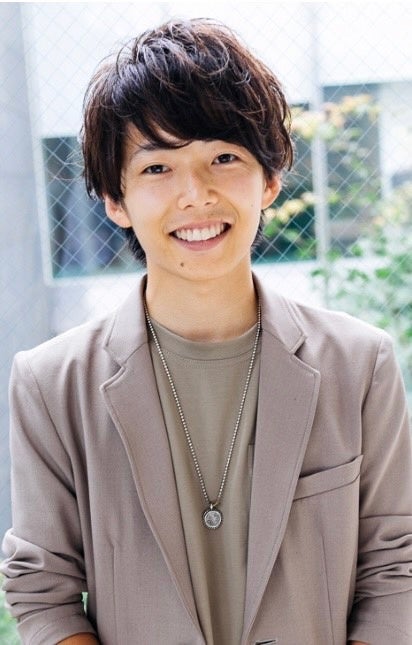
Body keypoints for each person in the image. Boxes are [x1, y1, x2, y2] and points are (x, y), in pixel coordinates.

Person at [2, 17, 412, 645]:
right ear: (115, 200)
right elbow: (43, 590)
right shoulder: (51, 384)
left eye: (223, 157)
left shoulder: (360, 365)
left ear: (270, 179)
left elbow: (395, 568)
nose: (195, 194)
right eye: (157, 168)